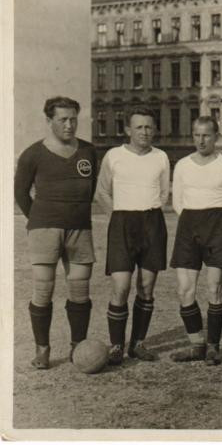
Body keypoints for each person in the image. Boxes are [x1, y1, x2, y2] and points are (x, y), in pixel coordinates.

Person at [14, 96, 97, 369]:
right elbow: (20, 193)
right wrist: (40, 219)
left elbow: (90, 188)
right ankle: (42, 349)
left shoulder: (88, 151)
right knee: (43, 287)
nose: (69, 125)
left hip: (80, 228)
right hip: (44, 228)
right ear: (49, 121)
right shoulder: (33, 154)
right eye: (63, 120)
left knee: (80, 287)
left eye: (73, 119)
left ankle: (78, 346)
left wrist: (75, 213)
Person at [95, 106, 170, 365]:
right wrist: (118, 216)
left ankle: (138, 343)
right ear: (128, 129)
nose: (144, 132)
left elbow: (164, 193)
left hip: (152, 223)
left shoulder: (161, 157)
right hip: (122, 224)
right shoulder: (113, 155)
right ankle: (117, 345)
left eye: (149, 127)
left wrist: (147, 210)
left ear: (155, 129)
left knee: (146, 287)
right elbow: (102, 192)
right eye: (139, 127)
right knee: (121, 286)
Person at [168, 116, 222, 365]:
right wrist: (193, 222)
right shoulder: (182, 165)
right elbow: (177, 201)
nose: (201, 140)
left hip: (217, 227)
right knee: (184, 289)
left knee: (214, 288)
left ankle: (213, 346)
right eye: (197, 135)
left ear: (216, 137)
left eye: (206, 135)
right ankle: (196, 344)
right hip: (189, 227)